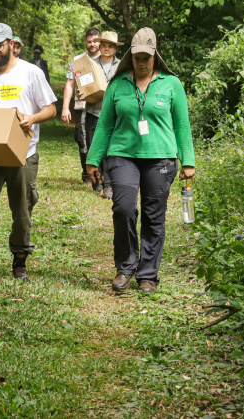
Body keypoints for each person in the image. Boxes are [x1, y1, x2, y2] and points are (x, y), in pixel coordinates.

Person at [86, 27, 195, 294]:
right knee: (123, 209)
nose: (142, 61)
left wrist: (188, 161)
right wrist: (93, 159)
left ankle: (148, 274)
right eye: (137, 57)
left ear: (155, 56)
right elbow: (104, 125)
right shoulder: (118, 84)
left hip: (161, 159)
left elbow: (182, 125)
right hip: (123, 155)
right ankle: (125, 267)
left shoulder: (171, 84)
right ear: (130, 57)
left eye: (147, 57)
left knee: (153, 216)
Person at [0, 22, 57, 286]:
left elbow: (50, 108)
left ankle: (19, 258)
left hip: (23, 153)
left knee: (22, 210)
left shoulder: (31, 73)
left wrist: (33, 118)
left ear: (11, 45)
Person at [82, 31, 122, 199]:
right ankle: (96, 179)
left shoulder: (122, 66)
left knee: (110, 150)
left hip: (113, 114)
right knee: (93, 147)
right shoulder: (90, 64)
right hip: (94, 111)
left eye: (110, 46)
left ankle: (108, 185)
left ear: (115, 48)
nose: (106, 48)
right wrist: (81, 92)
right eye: (104, 45)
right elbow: (83, 86)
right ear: (99, 45)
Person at [61, 28, 101, 187]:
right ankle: (87, 174)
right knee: (82, 139)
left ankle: (102, 174)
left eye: (95, 41)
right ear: (85, 42)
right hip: (82, 107)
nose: (92, 44)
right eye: (89, 41)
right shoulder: (78, 60)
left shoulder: (107, 59)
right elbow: (70, 84)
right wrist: (65, 107)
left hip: (102, 107)